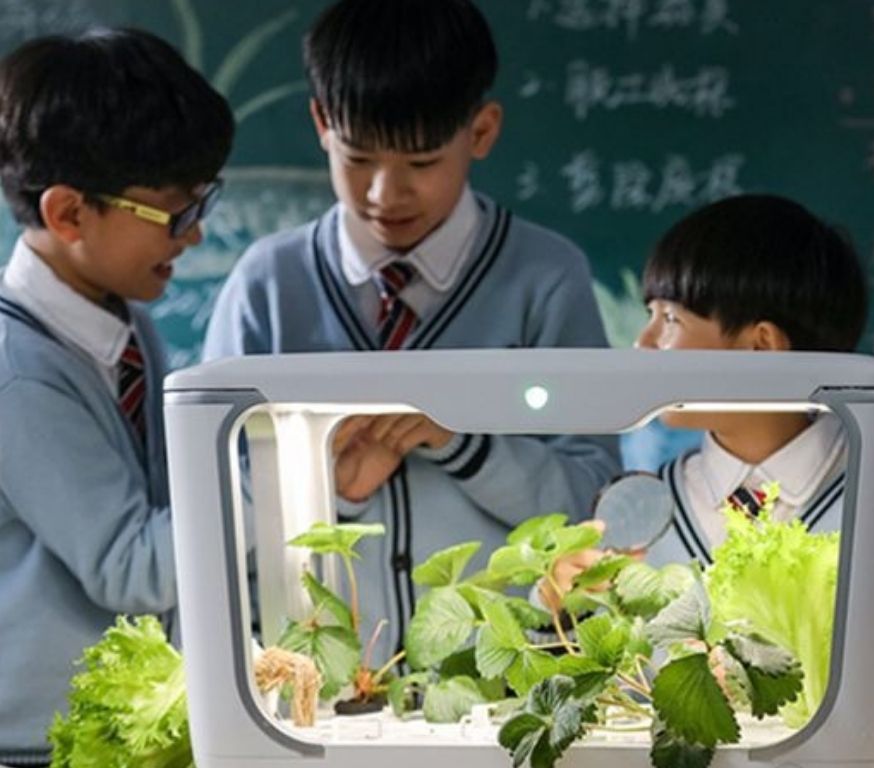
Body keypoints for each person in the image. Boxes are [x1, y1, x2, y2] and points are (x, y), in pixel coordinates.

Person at [201, 0, 619, 653]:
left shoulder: (548, 276)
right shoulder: (266, 285)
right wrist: (325, 481)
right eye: (358, 159)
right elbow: (216, 512)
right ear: (320, 123)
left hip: (506, 684)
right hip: (314, 679)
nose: (384, 194)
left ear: (481, 132)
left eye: (422, 164)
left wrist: (465, 442)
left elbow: (594, 501)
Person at [544, 194, 874, 758]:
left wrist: (780, 680)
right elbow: (594, 698)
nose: (644, 342)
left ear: (762, 346)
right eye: (648, 314)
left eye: (671, 319)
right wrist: (557, 610)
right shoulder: (649, 503)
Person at [0, 28, 233, 764]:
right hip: (41, 745)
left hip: (119, 731)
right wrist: (271, 459)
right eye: (174, 214)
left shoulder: (124, 322)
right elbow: (131, 567)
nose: (193, 237)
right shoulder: (17, 370)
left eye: (202, 203)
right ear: (69, 213)